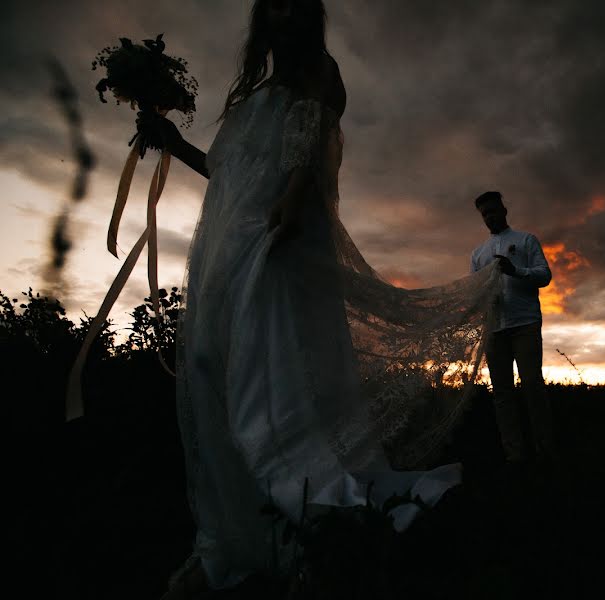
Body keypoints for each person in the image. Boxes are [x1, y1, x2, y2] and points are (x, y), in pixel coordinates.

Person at [132, 1, 502, 596]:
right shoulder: (251, 96)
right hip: (227, 251)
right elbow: (228, 178)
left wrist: (291, 201)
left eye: (295, 1)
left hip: (283, 245)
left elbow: (308, 148)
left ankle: (309, 532)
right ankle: (235, 533)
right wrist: (172, 140)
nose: (285, 11)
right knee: (211, 371)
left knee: (270, 384)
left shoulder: (319, 74)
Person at [470, 191, 555, 471]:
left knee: (532, 386)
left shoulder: (526, 240)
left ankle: (545, 450)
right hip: (495, 329)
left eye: (494, 211)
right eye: (485, 214)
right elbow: (476, 292)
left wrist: (515, 270)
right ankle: (515, 456)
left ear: (504, 210)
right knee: (503, 393)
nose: (490, 217)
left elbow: (545, 276)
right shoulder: (478, 254)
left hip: (525, 323)